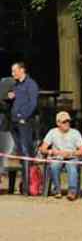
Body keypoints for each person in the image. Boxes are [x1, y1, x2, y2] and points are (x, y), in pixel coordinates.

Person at [8, 62, 39, 196]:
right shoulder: (16, 85)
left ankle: (27, 187)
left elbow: (33, 103)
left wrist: (24, 117)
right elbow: (18, 101)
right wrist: (11, 97)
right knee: (20, 152)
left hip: (24, 122)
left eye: (14, 71)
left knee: (26, 152)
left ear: (22, 70)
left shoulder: (31, 84)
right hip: (14, 122)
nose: (12, 73)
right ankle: (23, 185)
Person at [39, 111, 82, 201]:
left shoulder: (75, 133)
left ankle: (72, 191)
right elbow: (42, 148)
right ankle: (57, 190)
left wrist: (71, 153)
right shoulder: (52, 132)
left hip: (72, 157)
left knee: (72, 168)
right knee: (54, 166)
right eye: (64, 122)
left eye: (68, 121)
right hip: (57, 157)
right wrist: (52, 152)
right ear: (58, 123)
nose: (67, 123)